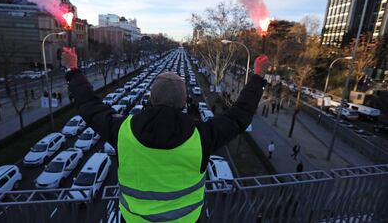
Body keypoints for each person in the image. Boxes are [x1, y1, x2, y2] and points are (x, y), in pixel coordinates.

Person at [62, 47, 268, 222]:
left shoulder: (123, 131)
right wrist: (258, 78)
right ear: (184, 102)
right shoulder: (202, 137)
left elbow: (90, 107)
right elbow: (239, 115)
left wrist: (73, 70)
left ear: (151, 100)